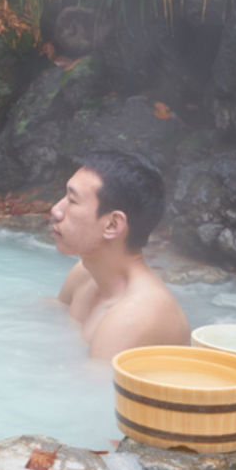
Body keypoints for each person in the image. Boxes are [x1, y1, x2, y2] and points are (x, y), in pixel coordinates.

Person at [50, 150, 189, 359]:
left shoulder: (134, 316)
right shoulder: (85, 274)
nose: (56, 210)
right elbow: (44, 319)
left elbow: (88, 389)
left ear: (112, 225)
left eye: (72, 200)